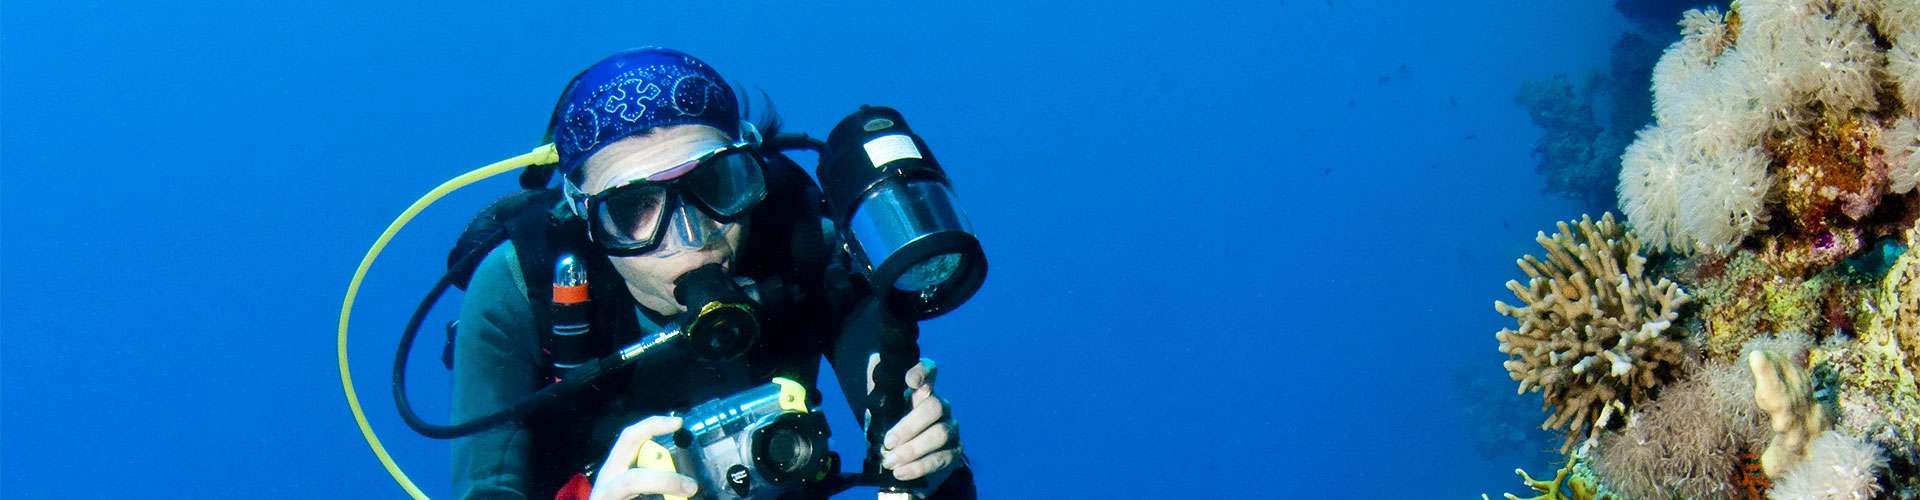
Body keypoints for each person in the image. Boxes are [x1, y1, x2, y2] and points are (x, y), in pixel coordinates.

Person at [448, 48, 973, 500]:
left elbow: (906, 434)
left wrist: (923, 458)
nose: (690, 236)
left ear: (751, 169)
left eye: (717, 183)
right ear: (583, 215)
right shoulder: (519, 288)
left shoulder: (804, 244)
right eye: (633, 210)